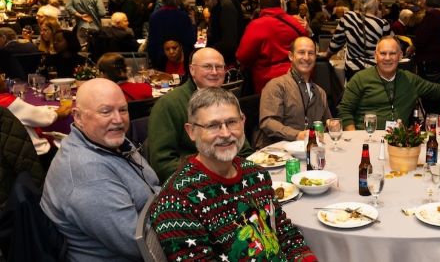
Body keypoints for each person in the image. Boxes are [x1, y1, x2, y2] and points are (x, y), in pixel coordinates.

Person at [150, 87, 317, 261]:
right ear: (191, 131)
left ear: (243, 122)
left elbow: (285, 233)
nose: (225, 133)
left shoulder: (256, 174)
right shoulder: (176, 201)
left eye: (232, 122)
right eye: (212, 125)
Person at [40, 78, 160, 261]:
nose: (118, 120)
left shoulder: (108, 140)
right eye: (105, 112)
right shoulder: (88, 174)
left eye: (123, 110)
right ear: (78, 117)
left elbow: (153, 186)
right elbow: (140, 245)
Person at [149, 48, 254, 182]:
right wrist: (208, 180)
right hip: (193, 184)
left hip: (234, 177)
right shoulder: (169, 104)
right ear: (192, 70)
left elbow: (244, 149)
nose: (214, 72)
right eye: (207, 67)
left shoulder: (228, 100)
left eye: (219, 67)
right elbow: (162, 163)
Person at [337, 36, 440, 130]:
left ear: (400, 56)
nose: (387, 58)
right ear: (375, 56)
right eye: (383, 53)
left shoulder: (410, 80)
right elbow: (345, 110)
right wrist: (355, 138)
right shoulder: (360, 79)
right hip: (367, 139)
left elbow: (439, 90)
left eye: (392, 53)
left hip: (398, 142)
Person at [255, 37, 332, 148]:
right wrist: (296, 135)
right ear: (291, 56)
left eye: (311, 53)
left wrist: (332, 125)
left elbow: (327, 123)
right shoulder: (276, 86)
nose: (306, 57)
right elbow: (268, 122)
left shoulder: (320, 92)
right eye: (301, 52)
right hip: (277, 151)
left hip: (310, 150)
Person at [237, 0, 309, 94]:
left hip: (268, 86)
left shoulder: (256, 26)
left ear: (260, 5)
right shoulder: (295, 23)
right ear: (280, 3)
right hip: (298, 81)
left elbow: (243, 57)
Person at [0, 79, 70, 169]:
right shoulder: (7, 102)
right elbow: (41, 118)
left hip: (9, 158)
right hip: (33, 156)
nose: (3, 79)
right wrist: (58, 113)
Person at [325, 0, 391, 81]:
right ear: (374, 2)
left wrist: (326, 56)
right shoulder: (383, 24)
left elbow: (335, 44)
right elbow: (391, 49)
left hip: (353, 71)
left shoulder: (348, 17)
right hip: (375, 71)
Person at [147, 0, 196, 70]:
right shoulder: (182, 16)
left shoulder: (154, 16)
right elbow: (191, 39)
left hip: (160, 58)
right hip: (180, 60)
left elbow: (152, 41)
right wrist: (193, 24)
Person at [200, 0, 245, 65]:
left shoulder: (226, 7)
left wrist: (212, 48)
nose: (205, 4)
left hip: (226, 57)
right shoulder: (219, 5)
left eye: (207, 0)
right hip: (221, 53)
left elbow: (229, 41)